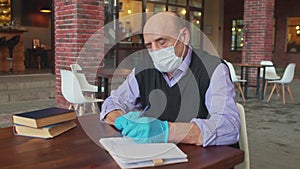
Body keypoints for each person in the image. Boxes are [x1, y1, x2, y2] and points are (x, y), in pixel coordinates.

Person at [100, 12, 240, 147]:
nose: (155, 51)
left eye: (162, 41)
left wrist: (166, 131)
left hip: (201, 158)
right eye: (149, 45)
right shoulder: (144, 68)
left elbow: (229, 127)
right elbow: (113, 102)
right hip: (156, 155)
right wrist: (120, 120)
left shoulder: (213, 69)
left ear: (184, 36)